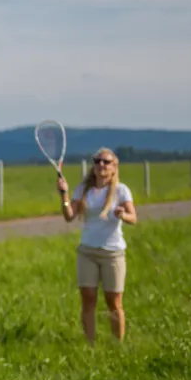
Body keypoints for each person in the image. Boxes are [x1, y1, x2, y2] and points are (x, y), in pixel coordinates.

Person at [57, 147, 138, 345]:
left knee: (114, 301)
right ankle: (90, 344)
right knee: (88, 299)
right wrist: (64, 195)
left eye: (106, 162)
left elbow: (133, 218)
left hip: (113, 253)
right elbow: (69, 216)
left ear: (114, 168)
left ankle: (117, 344)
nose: (101, 164)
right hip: (87, 251)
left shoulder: (121, 190)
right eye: (97, 161)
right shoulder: (84, 189)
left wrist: (122, 215)